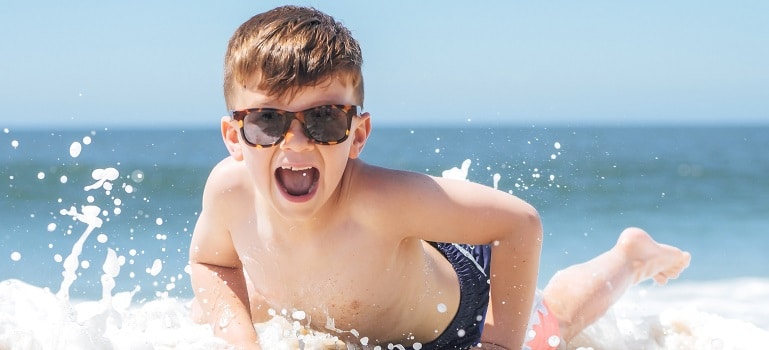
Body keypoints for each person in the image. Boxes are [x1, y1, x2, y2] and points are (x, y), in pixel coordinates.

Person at [188, 6, 691, 350]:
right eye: (267, 121)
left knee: (553, 323)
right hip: (366, 299)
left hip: (456, 318)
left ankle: (629, 256)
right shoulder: (228, 192)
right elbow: (211, 262)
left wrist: (496, 342)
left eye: (323, 120)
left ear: (357, 134)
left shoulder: (380, 201)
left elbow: (520, 224)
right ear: (235, 136)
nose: (295, 143)